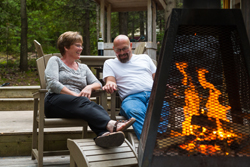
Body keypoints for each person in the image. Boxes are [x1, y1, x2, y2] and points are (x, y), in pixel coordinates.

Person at [44, 31, 136, 148]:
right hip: (54, 102)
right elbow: (52, 83)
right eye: (77, 45)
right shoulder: (55, 61)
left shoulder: (83, 67)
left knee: (92, 106)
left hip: (77, 105)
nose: (81, 48)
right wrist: (74, 95)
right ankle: (112, 124)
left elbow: (97, 83)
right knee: (84, 102)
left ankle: (104, 134)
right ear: (66, 47)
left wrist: (89, 87)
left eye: (81, 45)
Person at [102, 35, 156, 140]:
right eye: (118, 50)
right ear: (114, 49)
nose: (122, 53)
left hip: (152, 94)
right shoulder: (110, 63)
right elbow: (110, 80)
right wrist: (110, 84)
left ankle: (159, 138)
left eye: (125, 48)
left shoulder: (144, 58)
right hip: (132, 98)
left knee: (163, 107)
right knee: (136, 112)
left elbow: (157, 78)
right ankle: (149, 144)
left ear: (131, 46)